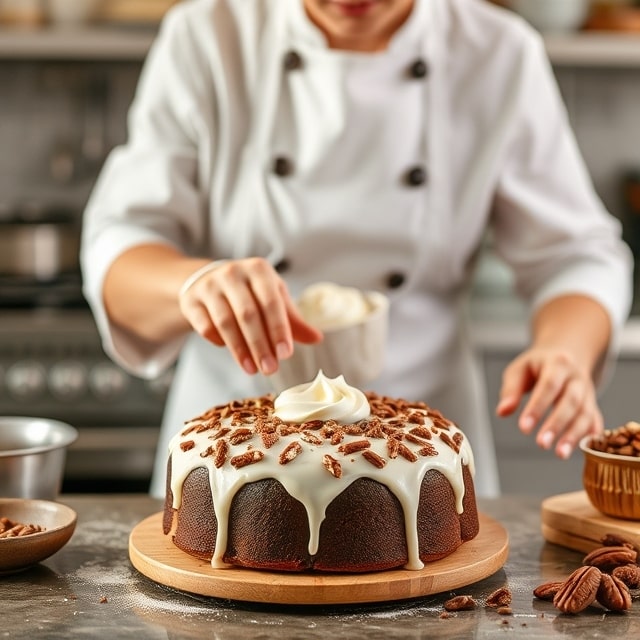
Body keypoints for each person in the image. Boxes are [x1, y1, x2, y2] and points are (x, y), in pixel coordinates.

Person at [80, 0, 633, 499]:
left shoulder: (499, 53)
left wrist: (566, 351)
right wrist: (191, 285)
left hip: (424, 448)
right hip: (229, 452)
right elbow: (120, 241)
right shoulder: (208, 35)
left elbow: (577, 254)